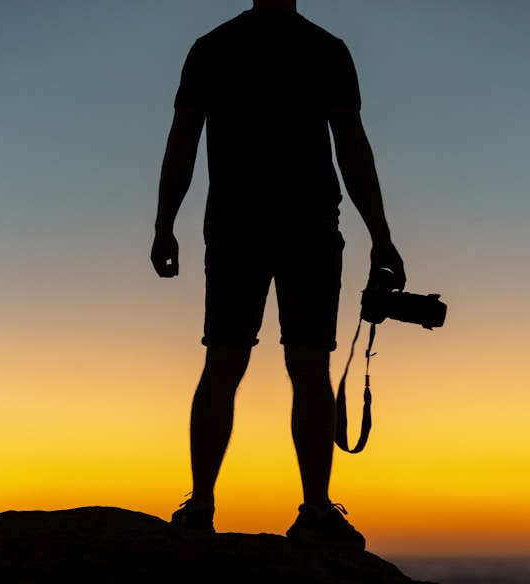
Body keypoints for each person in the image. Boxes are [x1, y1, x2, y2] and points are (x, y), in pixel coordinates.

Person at [150, 0, 405, 550]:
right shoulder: (324, 48)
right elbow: (353, 147)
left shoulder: (213, 47)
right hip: (306, 227)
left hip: (239, 229)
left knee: (225, 361)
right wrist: (380, 235)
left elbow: (183, 142)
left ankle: (200, 505)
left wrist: (164, 224)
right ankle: (311, 508)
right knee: (306, 366)